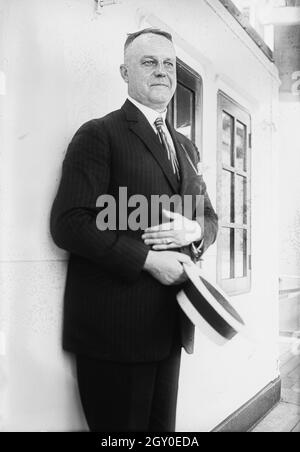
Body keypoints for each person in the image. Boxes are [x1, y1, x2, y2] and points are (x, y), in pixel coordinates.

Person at [50, 28, 218, 432]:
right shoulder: (99, 134)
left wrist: (193, 229)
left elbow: (211, 220)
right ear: (124, 72)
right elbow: (69, 223)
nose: (162, 71)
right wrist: (148, 261)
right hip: (115, 335)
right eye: (149, 62)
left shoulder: (186, 148)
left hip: (170, 327)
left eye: (169, 64)